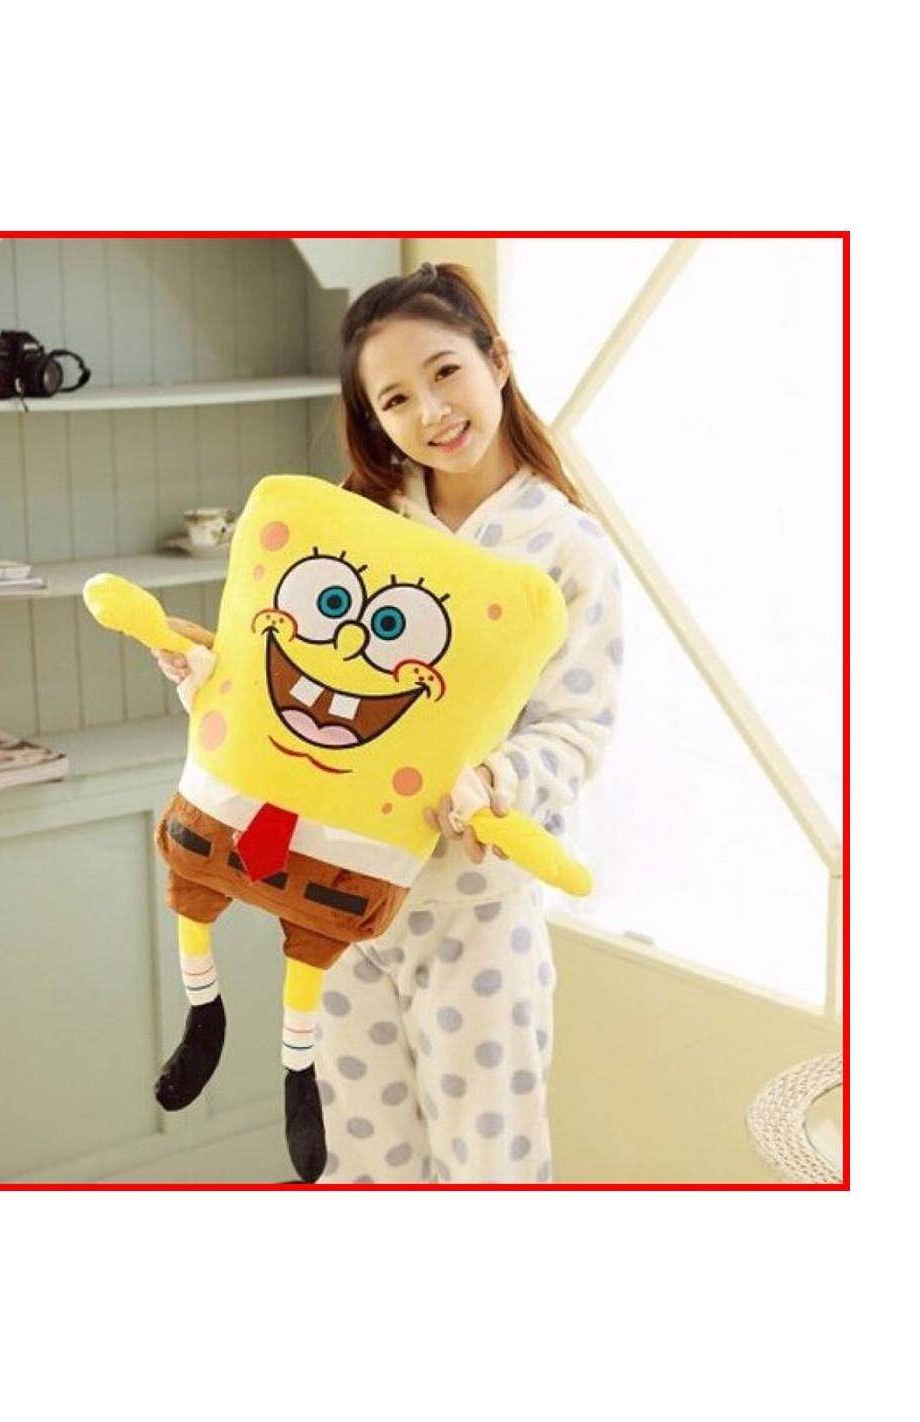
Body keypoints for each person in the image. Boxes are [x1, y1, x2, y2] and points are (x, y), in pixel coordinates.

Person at [153, 261, 622, 1183]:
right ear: (374, 418)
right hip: (335, 900)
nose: (432, 412)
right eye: (396, 399)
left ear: (496, 360)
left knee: (488, 1165)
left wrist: (494, 784)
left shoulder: (569, 548)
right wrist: (206, 679)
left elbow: (577, 728)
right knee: (357, 1161)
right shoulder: (361, 523)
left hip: (477, 918)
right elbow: (288, 692)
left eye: (446, 373)